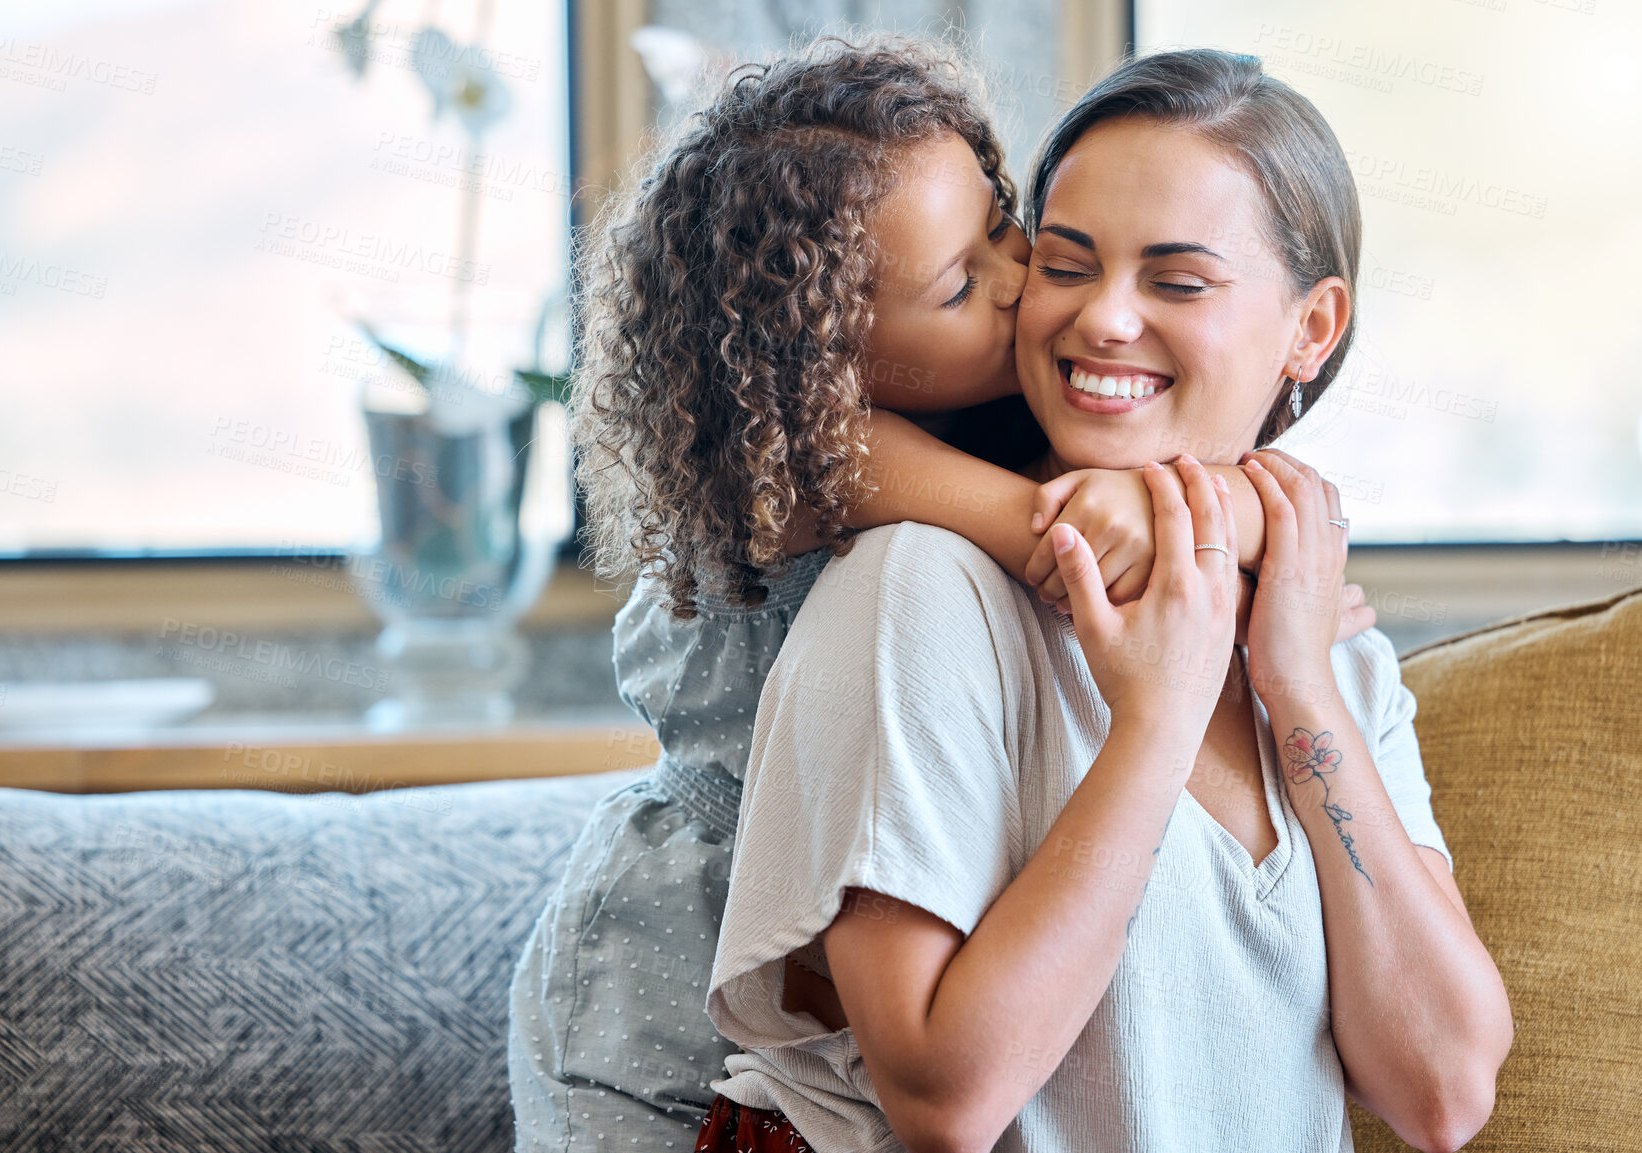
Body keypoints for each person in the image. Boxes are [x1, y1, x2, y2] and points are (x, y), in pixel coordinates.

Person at [506, 38, 1332, 1152]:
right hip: (664, 975)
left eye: (1000, 221)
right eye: (960, 285)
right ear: (827, 358)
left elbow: (1279, 505)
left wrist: (1225, 522)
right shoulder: (806, 462)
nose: (1019, 278)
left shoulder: (981, 408)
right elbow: (1046, 531)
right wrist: (1110, 531)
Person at [703, 49, 1513, 1153]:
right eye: (1069, 264)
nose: (1104, 323)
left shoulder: (1324, 641)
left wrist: (1300, 687)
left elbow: (1445, 1093)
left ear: (1311, 330)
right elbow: (944, 1099)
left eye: (1177, 282)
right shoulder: (918, 588)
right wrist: (1161, 714)